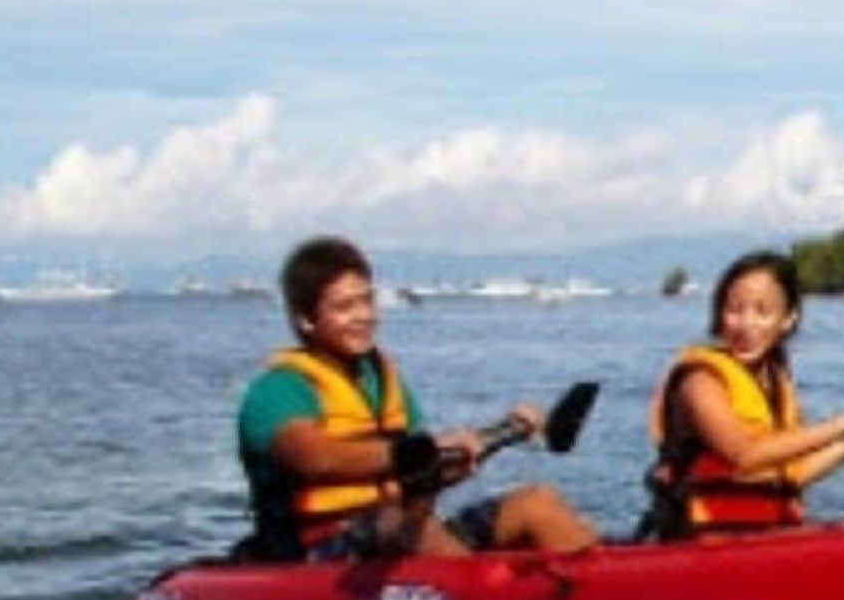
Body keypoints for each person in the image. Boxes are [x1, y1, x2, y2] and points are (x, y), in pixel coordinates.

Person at [236, 235, 601, 563]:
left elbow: (419, 473)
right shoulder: (279, 389)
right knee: (411, 527)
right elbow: (313, 457)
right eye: (345, 307)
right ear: (306, 320)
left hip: (396, 531)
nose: (364, 316)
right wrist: (412, 454)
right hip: (316, 550)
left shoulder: (379, 380)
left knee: (536, 504)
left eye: (367, 301)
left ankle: (607, 595)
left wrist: (470, 452)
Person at [642, 249, 844, 538]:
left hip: (763, 543)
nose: (746, 325)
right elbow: (745, 456)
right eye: (734, 310)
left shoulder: (776, 381)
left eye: (763, 312)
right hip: (703, 553)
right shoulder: (699, 381)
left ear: (787, 319)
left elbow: (791, 475)